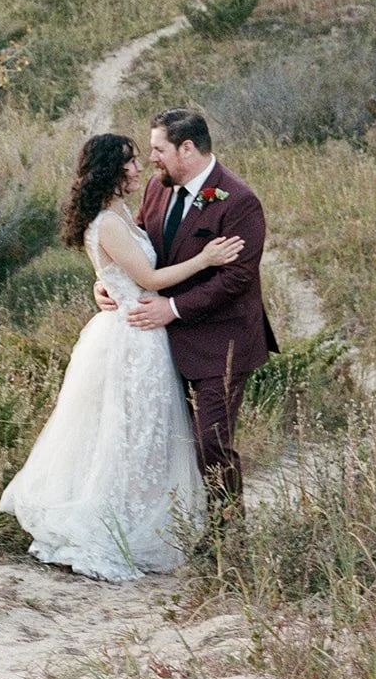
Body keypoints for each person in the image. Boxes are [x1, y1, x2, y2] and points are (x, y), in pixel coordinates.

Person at [0, 133, 244, 580]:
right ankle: (114, 527)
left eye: (143, 158)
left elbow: (124, 267)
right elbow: (148, 278)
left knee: (140, 436)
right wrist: (206, 259)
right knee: (126, 435)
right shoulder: (108, 221)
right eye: (131, 162)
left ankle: (138, 522)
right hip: (130, 339)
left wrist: (106, 282)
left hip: (142, 335)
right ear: (111, 171)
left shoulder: (121, 212)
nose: (140, 168)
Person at [98, 108, 278, 526]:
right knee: (165, 441)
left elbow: (236, 278)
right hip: (162, 342)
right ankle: (176, 526)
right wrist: (106, 284)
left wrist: (172, 307)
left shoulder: (239, 201)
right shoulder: (158, 191)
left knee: (210, 442)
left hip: (222, 342)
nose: (152, 159)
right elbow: (136, 245)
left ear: (187, 147)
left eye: (159, 150)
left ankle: (226, 535)